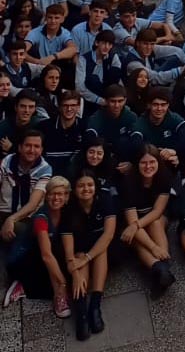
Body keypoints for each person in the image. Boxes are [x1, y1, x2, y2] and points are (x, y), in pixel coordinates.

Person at [60, 169, 116, 340]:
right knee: (78, 257)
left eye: (90, 185)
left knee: (100, 250)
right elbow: (68, 251)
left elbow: (108, 235)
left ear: (95, 186)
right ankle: (82, 313)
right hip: (78, 250)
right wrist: (75, 274)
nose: (86, 189)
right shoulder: (68, 209)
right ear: (74, 188)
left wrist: (87, 258)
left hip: (102, 248)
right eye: (81, 186)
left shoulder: (105, 199)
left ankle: (95, 306)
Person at [3, 175, 70, 315]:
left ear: (66, 196)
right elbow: (46, 255)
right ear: (46, 196)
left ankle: (26, 285)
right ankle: (57, 297)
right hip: (24, 260)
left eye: (60, 194)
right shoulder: (41, 218)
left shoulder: (65, 212)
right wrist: (62, 283)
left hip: (39, 256)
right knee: (58, 278)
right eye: (52, 194)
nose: (56, 198)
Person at [119, 144, 175, 294]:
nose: (148, 166)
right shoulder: (128, 182)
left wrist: (136, 226)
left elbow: (157, 211)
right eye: (143, 162)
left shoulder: (165, 176)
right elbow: (131, 220)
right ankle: (162, 270)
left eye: (152, 162)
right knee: (136, 238)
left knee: (155, 223)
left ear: (158, 162)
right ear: (137, 164)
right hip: (134, 219)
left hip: (156, 217)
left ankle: (162, 268)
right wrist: (153, 247)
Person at [0, 129, 52, 242]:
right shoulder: (7, 161)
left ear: (41, 150)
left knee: (20, 230)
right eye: (28, 145)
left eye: (36, 146)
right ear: (20, 147)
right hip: (3, 213)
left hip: (27, 217)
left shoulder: (45, 169)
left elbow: (33, 204)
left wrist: (11, 219)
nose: (32, 150)